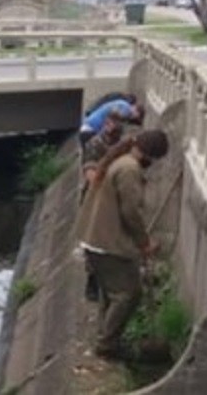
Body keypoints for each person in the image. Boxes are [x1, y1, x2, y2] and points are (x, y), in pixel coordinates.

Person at [77, 129, 170, 360]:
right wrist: (144, 243)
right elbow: (130, 211)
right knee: (128, 294)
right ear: (151, 155)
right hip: (108, 242)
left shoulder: (121, 161)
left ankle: (105, 336)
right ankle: (107, 344)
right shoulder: (129, 169)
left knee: (111, 293)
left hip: (95, 238)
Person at [78, 97, 143, 147]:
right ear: (135, 108)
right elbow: (114, 123)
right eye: (136, 116)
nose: (133, 117)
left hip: (87, 125)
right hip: (91, 128)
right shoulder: (126, 109)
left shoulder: (122, 103)